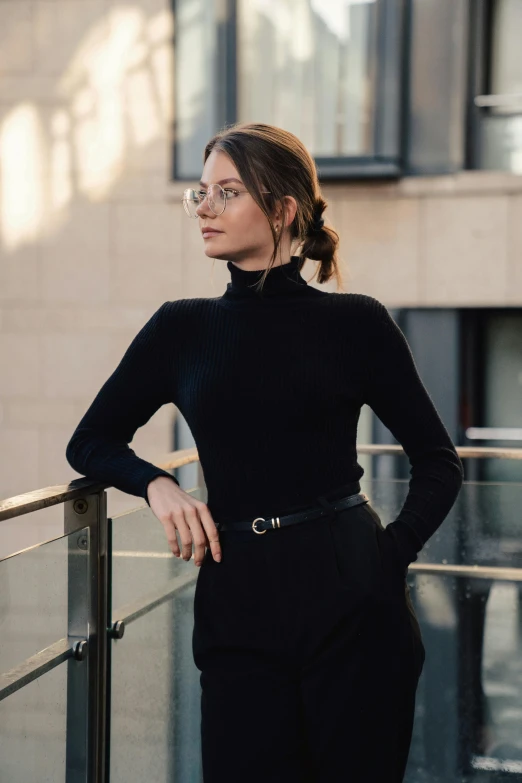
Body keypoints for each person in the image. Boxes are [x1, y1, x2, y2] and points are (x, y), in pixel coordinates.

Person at [65, 122, 464, 782]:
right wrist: (158, 484)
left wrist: (386, 558)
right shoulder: (180, 326)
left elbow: (438, 460)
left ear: (283, 209)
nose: (206, 209)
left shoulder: (355, 322)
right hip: (236, 597)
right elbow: (91, 441)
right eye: (201, 192)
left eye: (227, 191)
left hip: (352, 601)